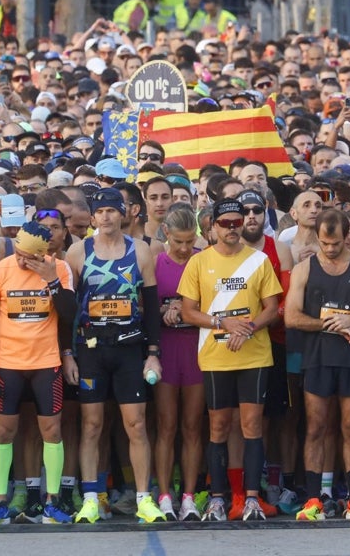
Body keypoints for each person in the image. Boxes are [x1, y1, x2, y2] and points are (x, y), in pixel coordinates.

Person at [176, 198, 283, 522]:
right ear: (212, 226)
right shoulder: (199, 262)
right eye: (227, 224)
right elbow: (188, 311)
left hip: (254, 355)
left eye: (238, 223)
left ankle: (251, 497)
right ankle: (219, 498)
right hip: (215, 356)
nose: (234, 228)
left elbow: (272, 308)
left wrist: (248, 326)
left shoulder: (259, 260)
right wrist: (223, 323)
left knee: (251, 426)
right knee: (218, 427)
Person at [65, 187, 164, 524]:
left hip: (129, 349)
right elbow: (67, 310)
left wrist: (153, 353)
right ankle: (91, 498)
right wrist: (68, 354)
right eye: (100, 211)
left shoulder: (140, 251)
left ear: (123, 213)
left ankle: (143, 498)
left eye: (112, 210)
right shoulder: (78, 253)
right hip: (91, 350)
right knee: (91, 425)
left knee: (136, 425)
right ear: (92, 217)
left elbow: (151, 306)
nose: (106, 217)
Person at [285, 208, 350, 521]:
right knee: (316, 427)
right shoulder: (304, 269)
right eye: (325, 243)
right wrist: (330, 324)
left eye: (336, 243)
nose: (330, 249)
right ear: (318, 238)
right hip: (317, 359)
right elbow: (291, 317)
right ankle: (314, 499)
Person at [0, 221, 77, 524]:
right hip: (8, 364)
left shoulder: (60, 269)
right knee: (4, 431)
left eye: (29, 257)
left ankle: (53, 501)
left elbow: (71, 315)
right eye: (18, 253)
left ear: (44, 254)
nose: (21, 261)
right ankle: (0, 501)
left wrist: (52, 281)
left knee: (52, 431)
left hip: (46, 363)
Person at [151, 204, 205, 521]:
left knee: (192, 427)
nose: (184, 249)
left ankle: (188, 496)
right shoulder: (156, 262)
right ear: (166, 234)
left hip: (196, 350)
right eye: (178, 242)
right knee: (166, 427)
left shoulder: (204, 260)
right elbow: (145, 308)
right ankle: (164, 495)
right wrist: (163, 311)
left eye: (189, 241)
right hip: (167, 351)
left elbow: (215, 305)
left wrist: (185, 309)